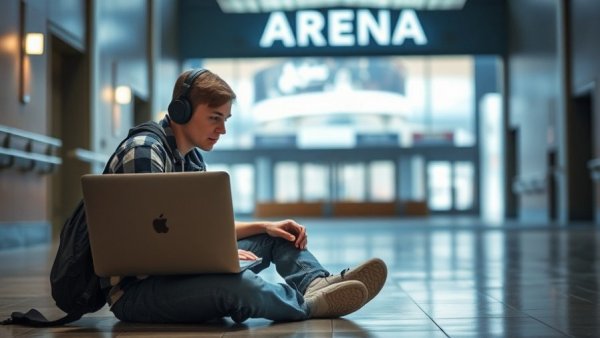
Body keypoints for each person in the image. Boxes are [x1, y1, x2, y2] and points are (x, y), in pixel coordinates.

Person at [102, 68, 388, 324]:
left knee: (277, 235)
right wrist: (212, 259)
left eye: (225, 119)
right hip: (137, 292)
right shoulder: (144, 152)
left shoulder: (191, 160)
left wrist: (265, 227)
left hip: (179, 272)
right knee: (238, 285)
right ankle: (308, 305)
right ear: (181, 111)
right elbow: (145, 246)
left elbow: (193, 231)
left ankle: (315, 282)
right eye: (215, 118)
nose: (222, 129)